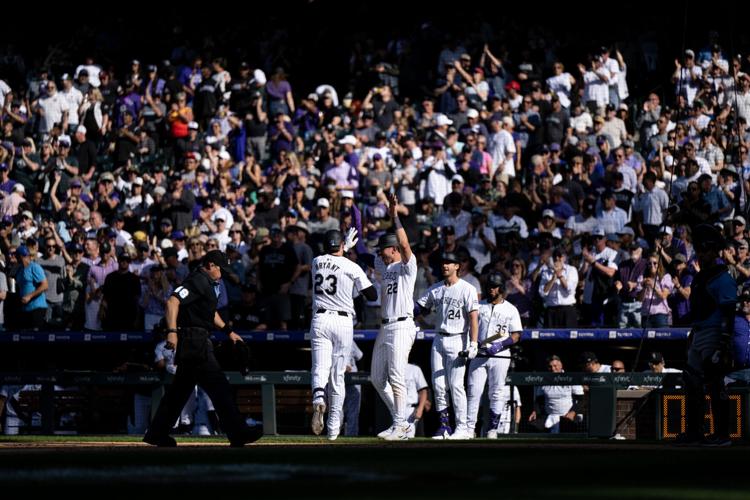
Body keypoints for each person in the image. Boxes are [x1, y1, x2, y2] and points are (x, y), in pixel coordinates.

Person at [143, 250, 262, 447]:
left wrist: (229, 332)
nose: (222, 274)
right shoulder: (197, 279)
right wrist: (172, 331)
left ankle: (157, 432)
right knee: (220, 387)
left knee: (179, 392)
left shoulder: (207, 284)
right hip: (194, 341)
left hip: (197, 339)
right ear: (210, 265)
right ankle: (238, 432)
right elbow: (172, 302)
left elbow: (210, 312)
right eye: (220, 269)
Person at [309, 229, 377, 441]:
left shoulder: (316, 261)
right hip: (342, 321)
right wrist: (347, 252)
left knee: (320, 367)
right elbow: (372, 294)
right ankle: (332, 429)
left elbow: (332, 258)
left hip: (320, 319)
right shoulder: (352, 266)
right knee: (338, 377)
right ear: (340, 245)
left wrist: (343, 248)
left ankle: (319, 396)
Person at [678, 224, 737, 446]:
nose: (702, 255)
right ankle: (694, 431)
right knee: (692, 382)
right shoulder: (700, 277)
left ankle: (722, 434)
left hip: (715, 332)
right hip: (700, 330)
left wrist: (724, 343)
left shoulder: (722, 277)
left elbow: (729, 312)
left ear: (715, 252)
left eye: (706, 251)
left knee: (714, 383)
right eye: (700, 250)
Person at [417, 251, 479, 439]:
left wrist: (474, 343)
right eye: (444, 262)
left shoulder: (467, 288)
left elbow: (474, 318)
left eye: (450, 262)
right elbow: (420, 307)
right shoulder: (436, 288)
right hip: (439, 339)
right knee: (438, 384)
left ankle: (462, 427)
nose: (445, 265)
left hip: (458, 338)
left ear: (457, 266)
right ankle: (444, 426)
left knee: (455, 385)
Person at [372, 193, 418, 441]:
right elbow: (365, 255)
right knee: (377, 379)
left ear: (394, 249)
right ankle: (403, 422)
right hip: (385, 327)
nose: (380, 254)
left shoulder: (406, 266)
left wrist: (395, 217)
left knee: (397, 377)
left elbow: (406, 245)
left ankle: (401, 426)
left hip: (402, 325)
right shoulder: (386, 266)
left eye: (383, 250)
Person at [466, 271, 522, 438]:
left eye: (495, 286)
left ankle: (492, 429)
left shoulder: (511, 309)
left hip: (501, 355)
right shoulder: (479, 305)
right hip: (480, 353)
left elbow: (516, 335)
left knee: (496, 392)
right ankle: (469, 429)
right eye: (489, 286)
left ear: (501, 288)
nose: (491, 289)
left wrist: (500, 344)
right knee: (474, 391)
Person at [528, 355, 584, 433]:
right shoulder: (543, 381)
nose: (553, 369)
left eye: (555, 366)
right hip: (549, 416)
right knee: (533, 425)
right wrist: (535, 411)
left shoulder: (572, 379)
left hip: (568, 416)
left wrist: (573, 412)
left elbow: (581, 400)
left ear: (561, 365)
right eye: (550, 367)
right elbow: (539, 400)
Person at [14, 245, 48, 330]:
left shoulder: (35, 267)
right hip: (25, 309)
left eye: (16, 255)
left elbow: (45, 285)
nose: (15, 257)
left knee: (36, 337)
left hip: (37, 308)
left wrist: (30, 296)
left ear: (21, 256)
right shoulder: (19, 270)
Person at [404, 362, 429, 438]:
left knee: (408, 436)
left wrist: (420, 408)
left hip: (410, 409)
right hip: (394, 409)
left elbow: (423, 390)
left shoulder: (414, 369)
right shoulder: (391, 369)